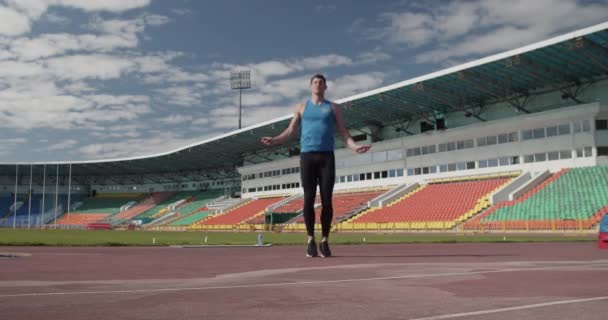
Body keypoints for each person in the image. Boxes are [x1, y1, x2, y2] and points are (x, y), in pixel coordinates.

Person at [260, 74, 371, 257]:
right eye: (315, 82)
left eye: (321, 82)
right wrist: (274, 140)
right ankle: (310, 239)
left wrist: (354, 146)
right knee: (308, 199)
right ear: (311, 86)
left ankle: (325, 240)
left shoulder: (333, 108)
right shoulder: (302, 107)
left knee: (327, 200)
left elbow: (343, 132)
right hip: (307, 157)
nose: (318, 84)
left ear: (325, 86)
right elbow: (290, 131)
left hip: (327, 157)